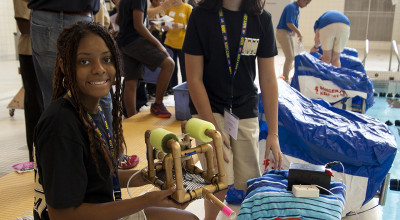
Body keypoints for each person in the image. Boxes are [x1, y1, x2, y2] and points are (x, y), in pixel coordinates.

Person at [33, 21, 198, 220]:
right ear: (64, 65)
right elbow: (63, 215)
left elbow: (100, 177)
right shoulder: (60, 126)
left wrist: (152, 176)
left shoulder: (94, 110)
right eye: (84, 61)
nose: (99, 69)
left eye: (107, 59)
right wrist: (146, 200)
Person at [182, 0, 283, 219]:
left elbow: (267, 78)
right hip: (207, 108)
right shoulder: (201, 16)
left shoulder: (261, 19)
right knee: (219, 178)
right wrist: (212, 131)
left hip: (244, 109)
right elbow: (194, 78)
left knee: (249, 181)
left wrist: (274, 133)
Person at [117, 0, 179, 118]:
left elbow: (118, 20)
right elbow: (138, 25)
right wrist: (158, 44)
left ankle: (131, 117)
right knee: (169, 64)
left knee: (131, 80)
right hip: (135, 40)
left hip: (124, 41)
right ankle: (158, 104)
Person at [13, 0, 44, 162]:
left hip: (48, 50)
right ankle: (36, 158)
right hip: (31, 53)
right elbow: (23, 25)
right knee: (36, 106)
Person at [276, 0, 311, 82]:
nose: (306, 5)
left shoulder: (296, 8)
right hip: (283, 32)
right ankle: (285, 78)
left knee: (291, 57)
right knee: (289, 57)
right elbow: (289, 23)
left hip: (288, 33)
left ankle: (285, 75)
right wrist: (299, 32)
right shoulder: (291, 7)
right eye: (306, 3)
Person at [163, 0, 192, 93]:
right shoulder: (169, 8)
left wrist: (182, 26)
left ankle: (185, 88)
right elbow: (164, 25)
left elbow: (192, 26)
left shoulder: (188, 8)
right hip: (169, 42)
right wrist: (164, 27)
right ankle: (172, 88)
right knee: (171, 67)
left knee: (185, 68)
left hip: (183, 43)